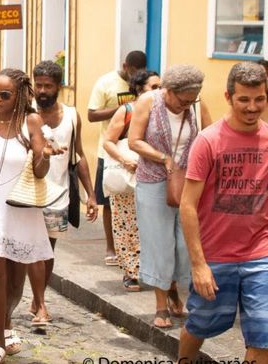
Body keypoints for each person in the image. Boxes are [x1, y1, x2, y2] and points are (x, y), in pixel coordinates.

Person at [0, 69, 61, 363]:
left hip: (20, 211)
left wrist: (43, 154)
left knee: (16, 285)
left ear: (20, 95)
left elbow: (40, 171)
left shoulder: (31, 121)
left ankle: (5, 324)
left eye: (4, 94)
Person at [179, 62, 268, 362]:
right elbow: (188, 205)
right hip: (215, 256)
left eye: (259, 99)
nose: (252, 107)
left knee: (263, 335)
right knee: (199, 326)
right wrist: (198, 264)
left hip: (261, 255)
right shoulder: (208, 141)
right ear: (229, 97)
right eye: (244, 99)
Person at [128, 64, 204, 329]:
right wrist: (163, 157)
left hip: (188, 180)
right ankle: (161, 305)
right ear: (168, 91)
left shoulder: (196, 105)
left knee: (185, 243)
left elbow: (209, 136)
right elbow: (134, 141)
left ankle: (175, 288)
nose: (187, 105)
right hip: (153, 180)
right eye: (183, 100)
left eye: (191, 100)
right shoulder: (148, 101)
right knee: (160, 243)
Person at [26, 61, 98, 326]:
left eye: (48, 86)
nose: (42, 90)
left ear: (59, 87)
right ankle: (41, 305)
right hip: (27, 194)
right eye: (38, 85)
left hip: (59, 194)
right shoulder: (25, 112)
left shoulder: (71, 116)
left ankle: (38, 298)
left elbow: (78, 156)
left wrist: (91, 195)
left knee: (47, 251)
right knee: (32, 249)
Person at [102, 69, 160, 292]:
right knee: (126, 226)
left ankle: (153, 271)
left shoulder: (162, 112)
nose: (159, 91)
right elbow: (109, 141)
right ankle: (131, 272)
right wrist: (124, 159)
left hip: (153, 177)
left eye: (161, 87)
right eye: (154, 87)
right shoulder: (126, 111)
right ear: (139, 89)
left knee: (153, 226)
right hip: (128, 175)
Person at [87, 50, 147, 267]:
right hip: (110, 153)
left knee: (137, 203)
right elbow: (92, 115)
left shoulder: (144, 85)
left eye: (138, 73)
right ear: (124, 65)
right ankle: (111, 248)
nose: (134, 77)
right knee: (109, 203)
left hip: (137, 154)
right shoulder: (106, 83)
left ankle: (135, 250)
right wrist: (121, 109)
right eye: (132, 72)